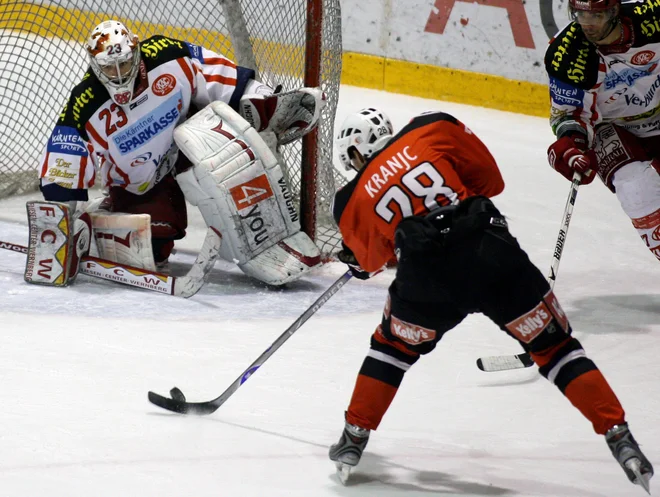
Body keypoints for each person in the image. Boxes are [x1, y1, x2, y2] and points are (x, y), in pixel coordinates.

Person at [327, 107, 654, 492]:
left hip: (426, 278)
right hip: (490, 253)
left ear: (354, 153)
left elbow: (372, 260)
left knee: (392, 349)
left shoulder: (349, 198)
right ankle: (621, 438)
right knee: (556, 348)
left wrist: (367, 254)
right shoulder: (431, 126)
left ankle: (353, 439)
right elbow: (490, 181)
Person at [27, 20, 324, 289]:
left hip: (188, 145)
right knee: (156, 246)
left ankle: (270, 241)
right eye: (108, 68)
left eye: (125, 63)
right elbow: (64, 157)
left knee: (229, 155)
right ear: (94, 65)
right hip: (141, 181)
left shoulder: (167, 54)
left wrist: (257, 99)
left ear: (137, 51)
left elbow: (215, 74)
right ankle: (102, 218)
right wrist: (64, 217)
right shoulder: (86, 101)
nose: (118, 75)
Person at [545, 0, 660, 262]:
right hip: (611, 127)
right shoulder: (567, 52)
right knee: (635, 189)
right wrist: (572, 142)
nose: (587, 24)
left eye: (595, 16)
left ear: (614, 12)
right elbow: (569, 114)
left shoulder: (653, 18)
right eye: (580, 15)